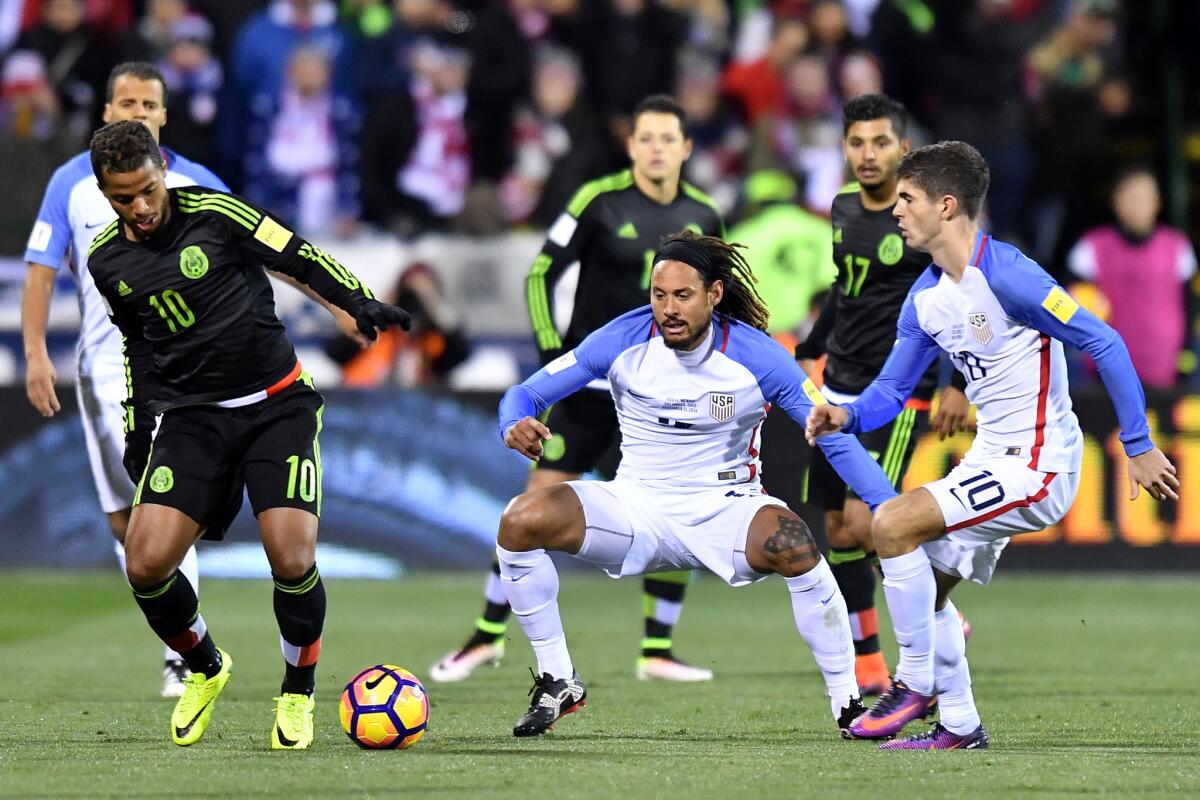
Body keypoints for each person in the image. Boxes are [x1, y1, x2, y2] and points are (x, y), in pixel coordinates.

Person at [806, 141, 1179, 750]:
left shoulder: (1008, 274)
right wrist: (842, 415)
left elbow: (1105, 342)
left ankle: (914, 681)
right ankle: (959, 725)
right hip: (992, 458)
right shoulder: (925, 297)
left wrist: (1137, 442)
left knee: (892, 525)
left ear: (946, 206)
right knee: (917, 578)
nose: (895, 211)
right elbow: (890, 393)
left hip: (1041, 465)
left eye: (907, 199)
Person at [494, 230, 900, 738]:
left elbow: (831, 438)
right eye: (659, 295)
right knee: (519, 520)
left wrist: (887, 507)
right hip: (635, 506)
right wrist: (514, 423)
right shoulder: (621, 338)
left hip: (726, 509)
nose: (668, 309)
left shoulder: (760, 357)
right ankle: (558, 679)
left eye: (683, 296)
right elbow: (527, 393)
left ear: (714, 294)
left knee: (795, 546)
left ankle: (848, 706)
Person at [84, 119, 410, 750]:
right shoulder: (107, 259)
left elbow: (298, 253)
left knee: (291, 558)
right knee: (145, 564)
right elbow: (138, 345)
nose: (142, 206)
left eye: (149, 189)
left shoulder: (216, 213)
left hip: (277, 406)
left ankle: (297, 691)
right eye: (125, 198)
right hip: (192, 417)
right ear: (106, 193)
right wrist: (136, 422)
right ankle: (206, 666)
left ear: (162, 172)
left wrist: (358, 300)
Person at [430, 94, 725, 684]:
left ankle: (657, 650)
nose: (657, 149)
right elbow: (543, 271)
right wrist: (552, 352)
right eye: (646, 138)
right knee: (533, 503)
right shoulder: (599, 199)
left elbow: (725, 299)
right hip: (591, 389)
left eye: (669, 139)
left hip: (666, 395)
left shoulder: (705, 215)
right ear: (631, 145)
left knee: (681, 506)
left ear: (687, 149)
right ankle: (487, 635)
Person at [22, 61, 227, 699]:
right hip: (102, 371)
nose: (138, 111)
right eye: (127, 101)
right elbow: (40, 268)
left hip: (180, 371)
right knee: (125, 525)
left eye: (150, 103)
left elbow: (255, 253)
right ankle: (178, 630)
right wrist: (34, 353)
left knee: (165, 503)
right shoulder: (71, 184)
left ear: (164, 115)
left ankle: (185, 654)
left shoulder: (199, 183)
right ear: (108, 112)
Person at [794, 94, 969, 695]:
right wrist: (806, 348)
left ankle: (937, 608)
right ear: (844, 149)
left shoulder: (919, 216)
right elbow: (846, 291)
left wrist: (955, 383)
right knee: (839, 529)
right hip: (837, 383)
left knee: (877, 521)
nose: (868, 155)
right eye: (857, 143)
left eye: (880, 143)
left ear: (903, 146)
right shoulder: (842, 209)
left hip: (902, 393)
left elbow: (960, 294)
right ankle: (868, 654)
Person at [1067, 165, 1197, 390]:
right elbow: (1070, 305)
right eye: (1131, 197)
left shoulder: (1178, 246)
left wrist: (1185, 360)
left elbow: (1190, 304)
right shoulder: (1090, 247)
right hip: (1105, 375)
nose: (1137, 205)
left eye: (1143, 198)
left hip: (1165, 372)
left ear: (1157, 202)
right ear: (1116, 201)